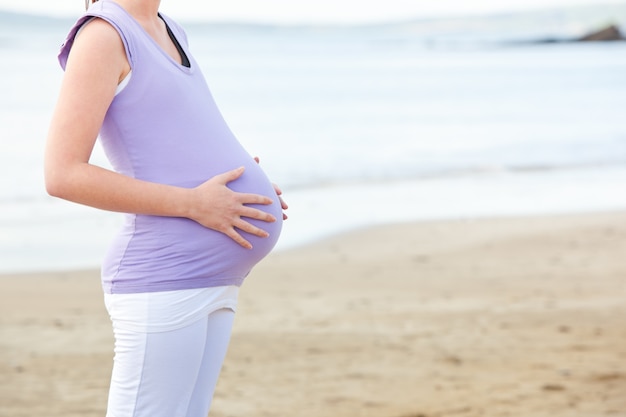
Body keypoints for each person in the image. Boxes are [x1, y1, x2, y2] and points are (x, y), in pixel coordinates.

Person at [44, 0, 288, 416]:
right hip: (165, 275)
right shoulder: (103, 36)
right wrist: (195, 203)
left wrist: (243, 179)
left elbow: (172, 136)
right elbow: (62, 174)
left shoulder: (166, 27)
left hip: (216, 275)